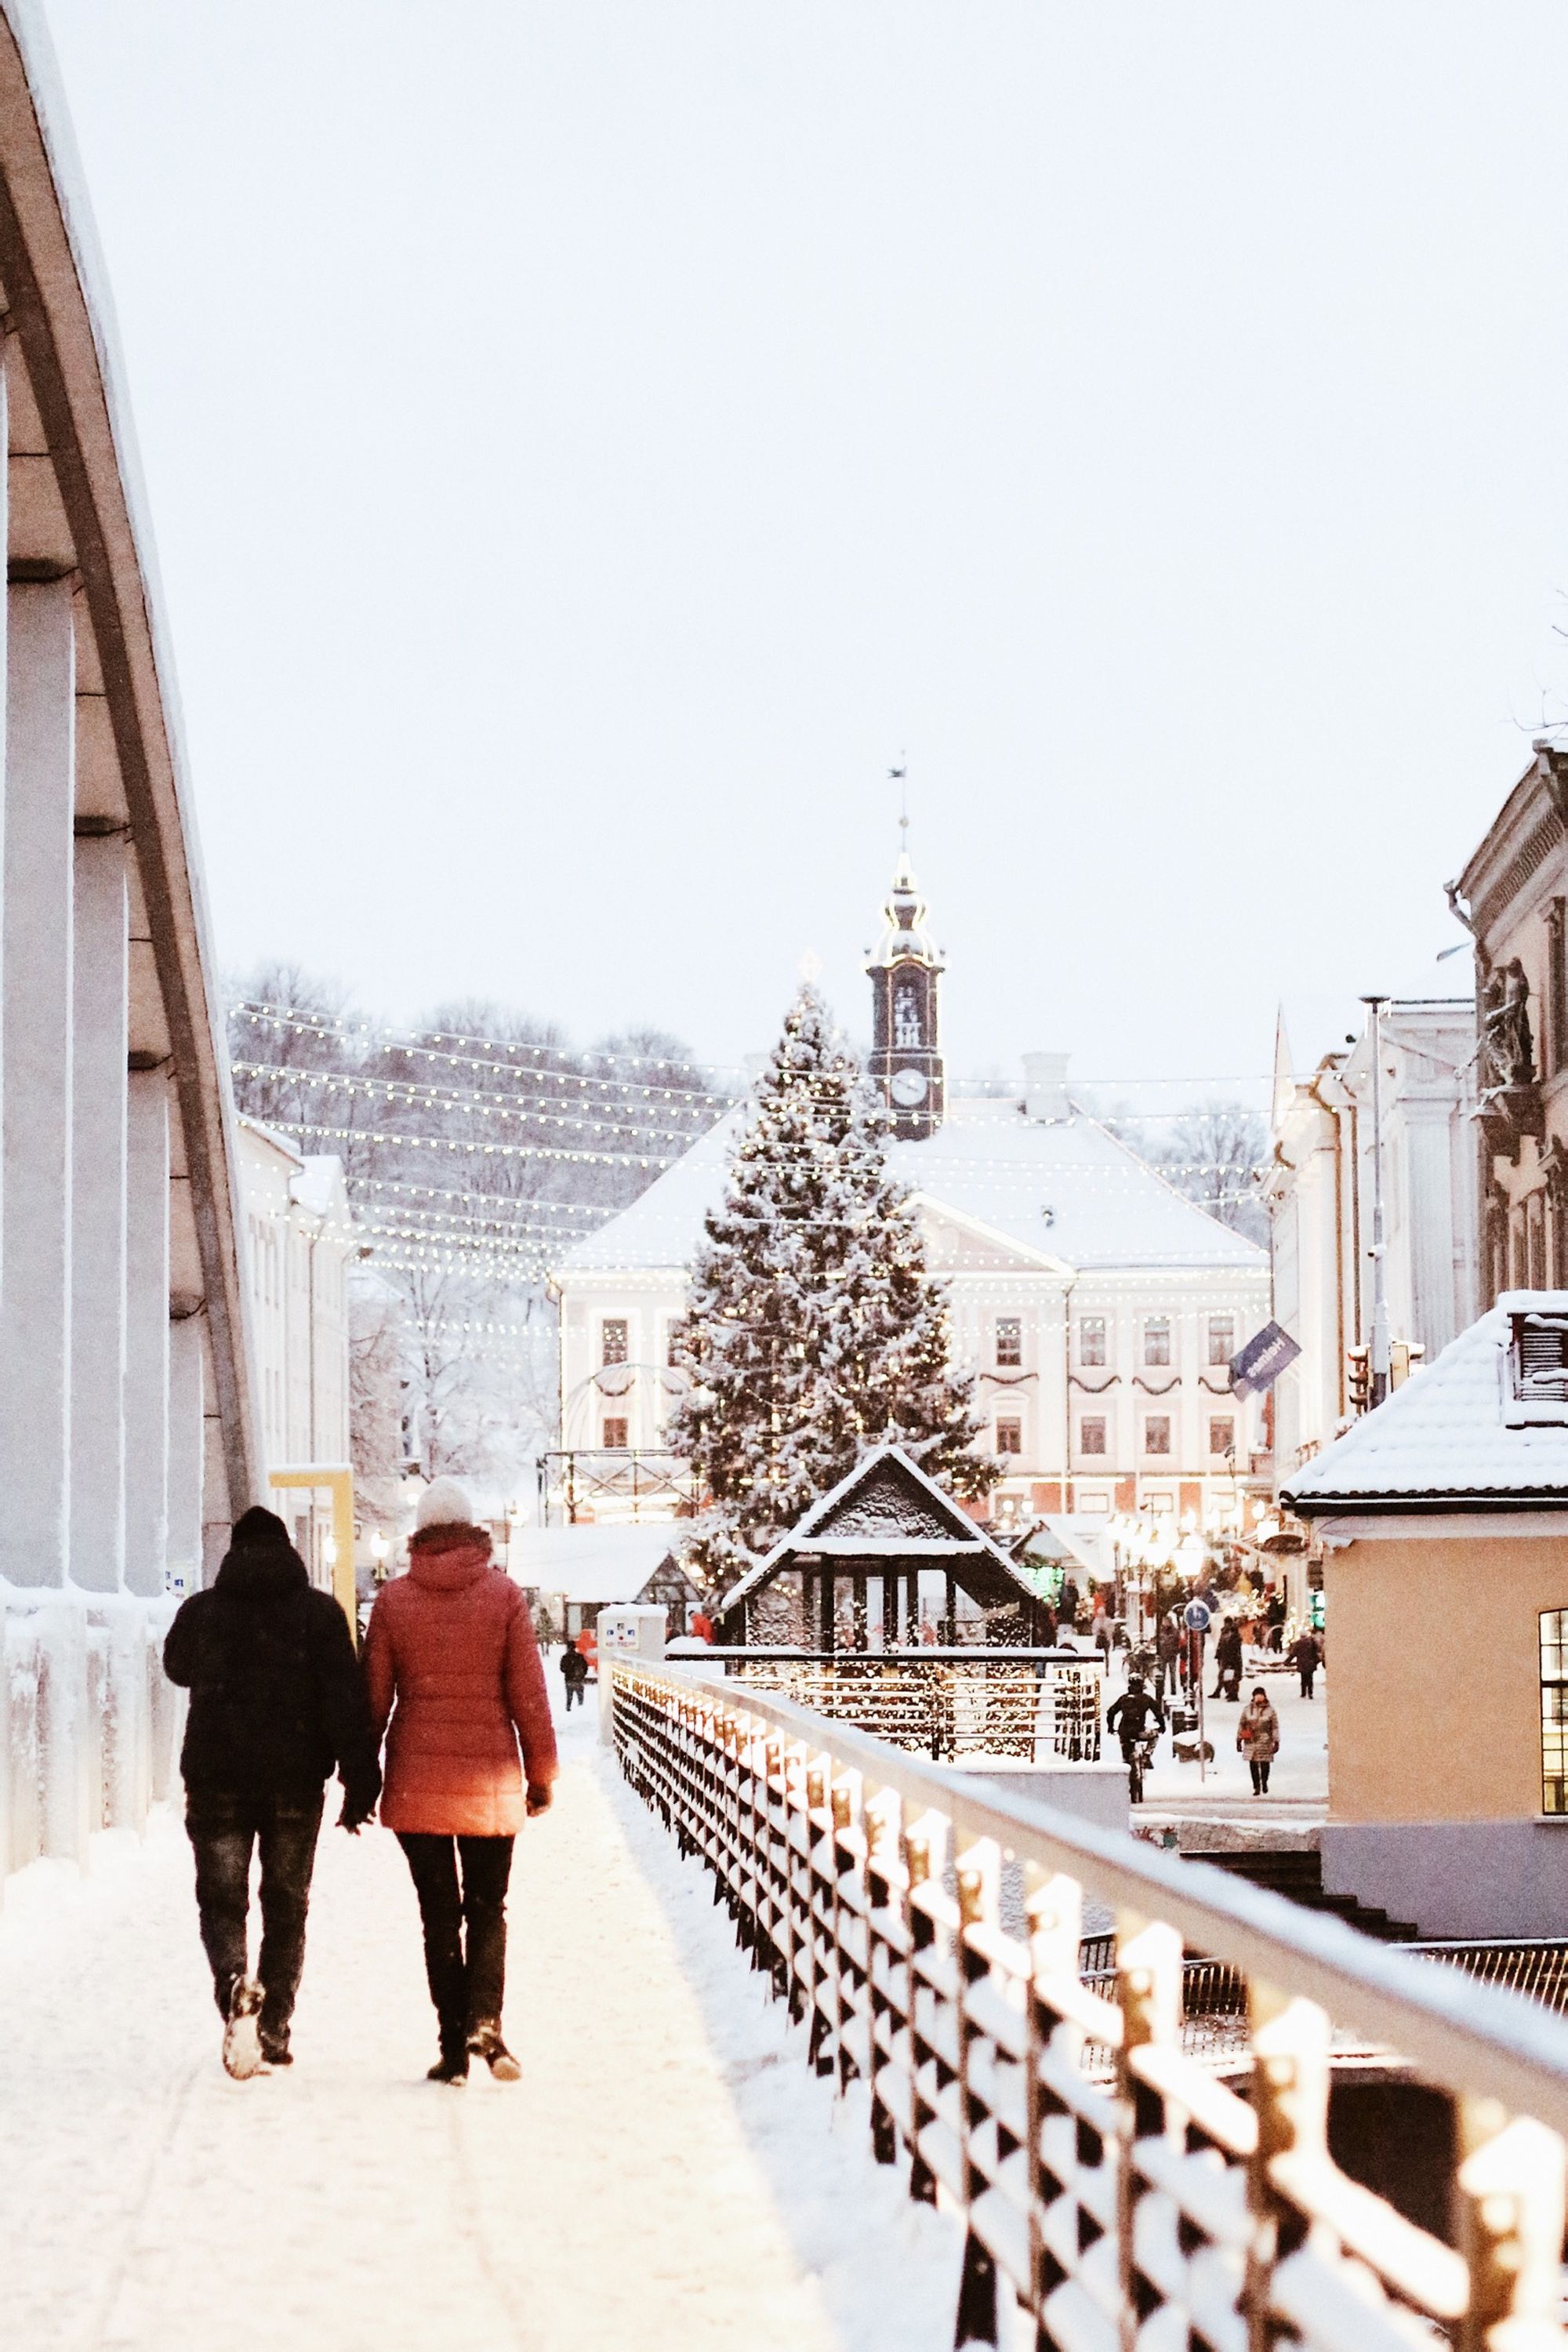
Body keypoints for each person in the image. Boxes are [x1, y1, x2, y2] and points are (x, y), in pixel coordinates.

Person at [163, 1506, 381, 2079]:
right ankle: (274, 2029)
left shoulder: (203, 1612)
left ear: (234, 1553)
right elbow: (344, 1702)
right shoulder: (319, 1614)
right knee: (286, 1907)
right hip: (294, 1779)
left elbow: (176, 1667)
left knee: (222, 1899)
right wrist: (361, 1779)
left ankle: (235, 1982)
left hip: (216, 1779)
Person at [365, 1478, 559, 2085]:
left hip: (418, 1777)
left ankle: (452, 2048)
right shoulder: (503, 1596)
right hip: (491, 1777)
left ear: (420, 1534)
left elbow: (373, 1699)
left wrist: (360, 1773)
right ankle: (487, 2021)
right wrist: (542, 1773)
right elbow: (528, 1695)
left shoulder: (394, 1602)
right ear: (473, 1529)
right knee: (488, 1908)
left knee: (438, 1915)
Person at [1105, 1674, 1166, 1790]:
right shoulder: (1146, 1699)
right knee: (1154, 1735)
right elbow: (1158, 1712)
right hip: (1140, 1732)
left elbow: (1111, 1712)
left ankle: (1127, 1770)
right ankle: (1147, 1755)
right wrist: (1162, 1726)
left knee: (1126, 1756)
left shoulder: (1123, 1699)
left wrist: (1111, 1727)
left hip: (1124, 1733)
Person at [1236, 1686, 1280, 1795]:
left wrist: (1276, 1741)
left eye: (1261, 1695)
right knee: (1253, 1764)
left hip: (1265, 1740)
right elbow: (1242, 1724)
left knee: (1265, 1763)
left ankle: (1264, 1782)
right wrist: (1239, 1740)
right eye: (1257, 1695)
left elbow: (1274, 1726)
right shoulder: (1247, 1709)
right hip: (1251, 1740)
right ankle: (1256, 1786)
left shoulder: (1270, 1710)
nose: (1259, 1697)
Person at [1211, 1615, 1243, 1704]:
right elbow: (1221, 1645)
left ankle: (1232, 1694)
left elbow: (1230, 1647)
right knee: (1225, 1676)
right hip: (1226, 1657)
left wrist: (1220, 1654)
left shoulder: (1233, 1634)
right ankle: (1228, 1692)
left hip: (1230, 1658)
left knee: (1231, 1677)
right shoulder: (1225, 1632)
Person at [1153, 1610, 1181, 1708]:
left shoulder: (1175, 1631)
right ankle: (1162, 1692)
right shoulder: (1160, 1631)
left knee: (1173, 1675)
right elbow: (1156, 1641)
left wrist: (1175, 1651)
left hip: (1172, 1655)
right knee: (1162, 1676)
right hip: (1163, 1656)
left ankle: (1174, 1692)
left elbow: (1178, 1642)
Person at [1288, 1626, 1321, 1699]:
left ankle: (1303, 1693)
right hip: (1311, 1663)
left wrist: (1287, 1662)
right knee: (1310, 1679)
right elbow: (1318, 1649)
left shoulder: (1298, 1643)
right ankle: (1310, 1693)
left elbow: (1293, 1654)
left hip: (1302, 1664)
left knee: (1303, 1679)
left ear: (1300, 1636)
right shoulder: (1312, 1642)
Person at [560, 1643, 589, 1710]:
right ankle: (581, 1709)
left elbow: (562, 1669)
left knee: (569, 1696)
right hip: (579, 1680)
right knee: (580, 1696)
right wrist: (583, 1675)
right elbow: (585, 1667)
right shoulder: (580, 1657)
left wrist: (569, 1671)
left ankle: (569, 1708)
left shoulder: (565, 1657)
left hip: (569, 1680)